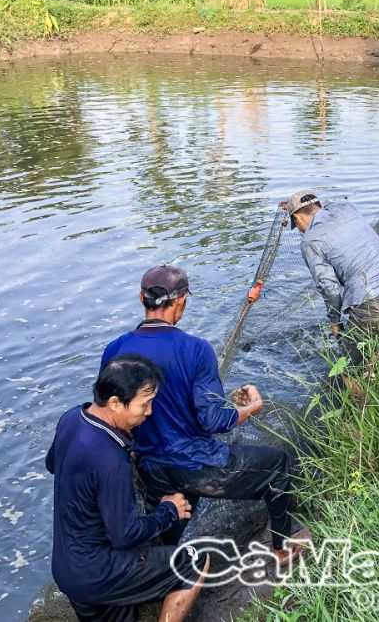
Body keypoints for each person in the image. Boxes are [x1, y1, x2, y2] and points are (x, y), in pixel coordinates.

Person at [100, 264, 305, 563]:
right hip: (196, 464)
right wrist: (250, 408)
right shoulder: (196, 349)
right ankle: (282, 549)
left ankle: (153, 568)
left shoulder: (113, 350)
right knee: (277, 464)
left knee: (171, 517)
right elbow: (214, 421)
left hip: (150, 467)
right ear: (181, 301)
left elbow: (114, 415)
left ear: (140, 298)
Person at [46, 353, 209, 622]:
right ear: (114, 403)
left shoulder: (71, 419)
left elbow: (53, 464)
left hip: (67, 570)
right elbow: (125, 535)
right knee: (195, 561)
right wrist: (169, 510)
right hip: (101, 573)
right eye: (144, 404)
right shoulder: (111, 461)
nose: (149, 412)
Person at [284, 190, 379, 366]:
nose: (300, 230)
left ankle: (359, 392)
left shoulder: (310, 241)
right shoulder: (346, 209)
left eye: (296, 224)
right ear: (319, 206)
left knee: (347, 368)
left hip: (372, 303)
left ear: (297, 219)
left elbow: (329, 288)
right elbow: (327, 205)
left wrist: (335, 321)